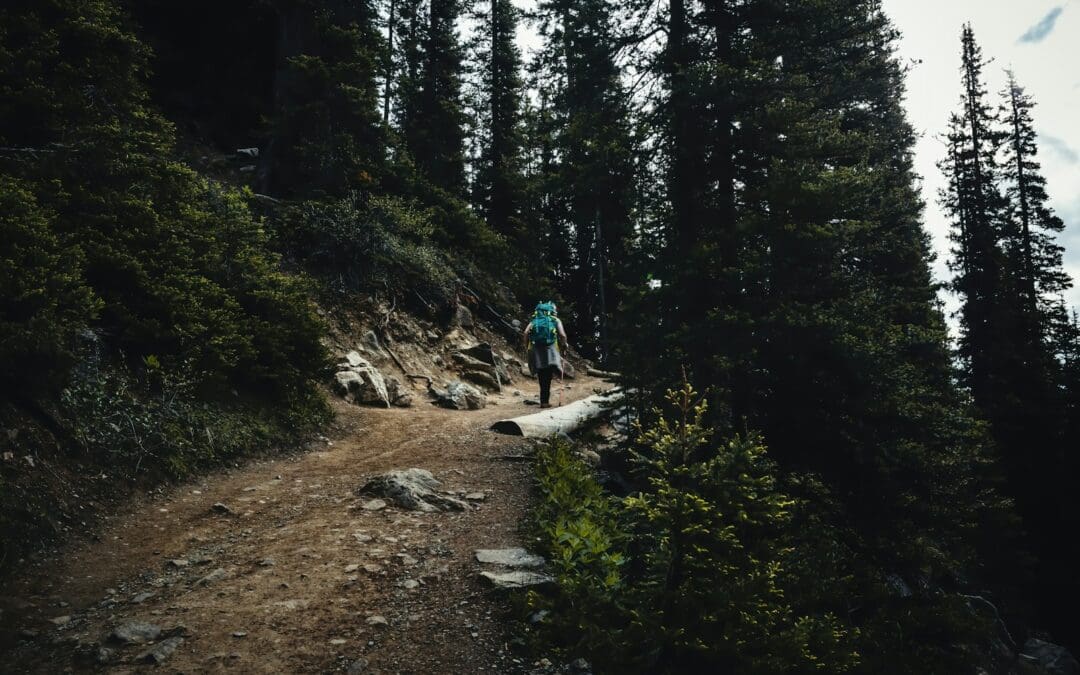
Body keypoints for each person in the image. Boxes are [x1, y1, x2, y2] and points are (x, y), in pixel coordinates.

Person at [523, 301, 568, 408]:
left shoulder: (534, 321)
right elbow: (562, 335)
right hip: (550, 350)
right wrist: (564, 344)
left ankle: (544, 401)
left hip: (536, 349)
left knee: (541, 374)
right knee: (548, 374)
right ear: (551, 311)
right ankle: (544, 401)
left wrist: (526, 346)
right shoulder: (555, 320)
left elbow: (525, 333)